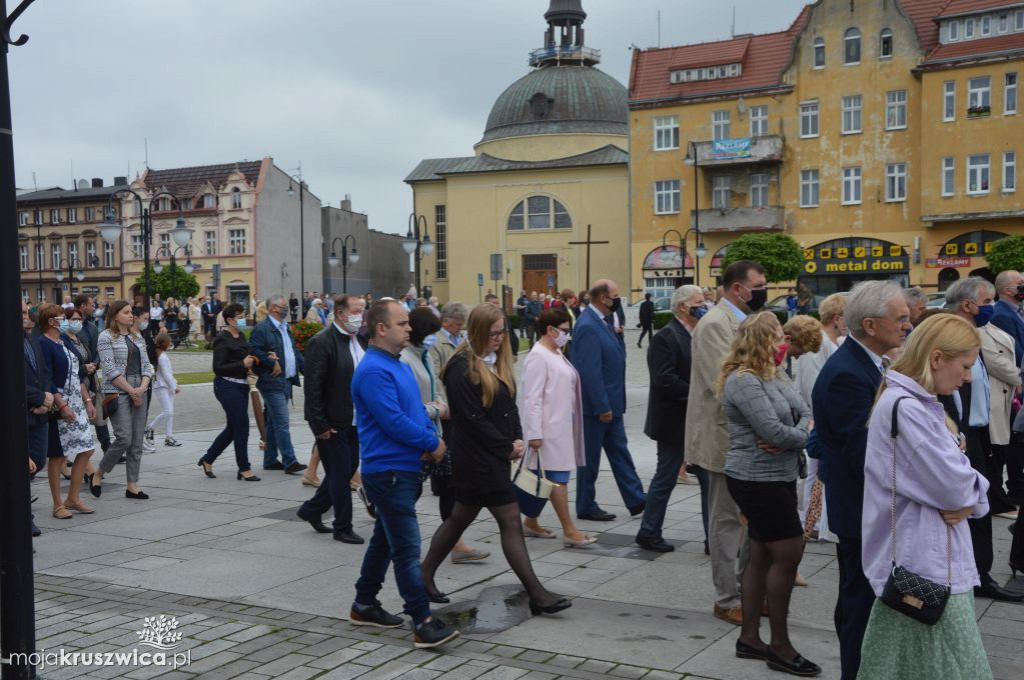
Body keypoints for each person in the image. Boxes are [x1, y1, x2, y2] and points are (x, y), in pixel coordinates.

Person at [858, 314, 993, 680]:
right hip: (925, 568)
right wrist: (976, 495)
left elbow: (959, 484)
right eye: (964, 366)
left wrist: (970, 496)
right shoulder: (909, 408)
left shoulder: (915, 404)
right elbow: (954, 486)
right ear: (936, 359)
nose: (966, 377)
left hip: (930, 562)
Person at [419, 303, 570, 616]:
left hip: (491, 456)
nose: (500, 339)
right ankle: (537, 593)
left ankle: (423, 575)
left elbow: (508, 405)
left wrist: (517, 438)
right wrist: (506, 447)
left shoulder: (493, 360)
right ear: (477, 331)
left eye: (502, 332)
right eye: (494, 333)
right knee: (510, 520)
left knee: (460, 518)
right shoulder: (461, 366)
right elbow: (471, 420)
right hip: (476, 460)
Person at [811, 281, 911, 680]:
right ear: (870, 324)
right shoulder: (847, 375)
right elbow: (866, 454)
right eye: (900, 318)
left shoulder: (871, 362)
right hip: (862, 513)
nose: (908, 324)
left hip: (869, 510)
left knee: (862, 601)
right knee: (859, 605)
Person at [348, 300, 459, 648]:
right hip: (389, 471)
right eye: (402, 323)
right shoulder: (373, 371)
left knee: (385, 539)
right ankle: (422, 620)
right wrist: (432, 442)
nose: (410, 329)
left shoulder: (394, 364)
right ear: (381, 328)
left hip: (404, 467)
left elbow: (409, 412)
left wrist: (426, 442)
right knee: (407, 549)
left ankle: (364, 603)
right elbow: (393, 421)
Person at [718, 312, 817, 676]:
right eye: (778, 337)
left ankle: (749, 638)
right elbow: (773, 432)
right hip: (755, 479)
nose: (784, 344)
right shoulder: (743, 380)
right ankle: (779, 646)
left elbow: (807, 412)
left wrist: (798, 435)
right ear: (761, 341)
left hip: (779, 475)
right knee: (789, 553)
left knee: (760, 553)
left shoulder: (775, 373)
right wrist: (799, 435)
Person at [685, 260, 768, 625]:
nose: (764, 291)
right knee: (725, 522)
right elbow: (727, 385)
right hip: (725, 439)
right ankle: (726, 598)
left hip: (750, 439)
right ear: (738, 289)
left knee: (753, 520)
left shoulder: (745, 322)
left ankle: (747, 589)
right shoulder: (715, 324)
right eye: (759, 285)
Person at [942, 278, 1023, 602]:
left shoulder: (973, 333)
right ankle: (977, 574)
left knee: (981, 502)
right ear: (967, 305)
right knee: (972, 504)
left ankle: (979, 572)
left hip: (980, 431)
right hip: (962, 433)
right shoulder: (949, 334)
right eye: (986, 300)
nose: (990, 306)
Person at [571, 279, 647, 522]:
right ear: (603, 298)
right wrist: (602, 405)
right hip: (597, 408)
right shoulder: (587, 325)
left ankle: (636, 500)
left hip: (611, 405)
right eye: (615, 295)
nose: (617, 300)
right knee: (590, 459)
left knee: (619, 452)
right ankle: (585, 505)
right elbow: (590, 371)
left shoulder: (602, 321)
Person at [518, 307, 595, 548]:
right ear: (550, 330)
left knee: (547, 478)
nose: (567, 335)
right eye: (564, 331)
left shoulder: (555, 352)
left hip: (560, 427)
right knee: (557, 479)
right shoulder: (539, 356)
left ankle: (530, 521)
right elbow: (532, 398)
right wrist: (534, 433)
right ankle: (570, 531)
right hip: (548, 430)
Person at [637, 285, 704, 553]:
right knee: (665, 477)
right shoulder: (666, 337)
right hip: (673, 421)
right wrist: (698, 394)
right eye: (699, 302)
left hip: (696, 420)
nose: (704, 305)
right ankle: (649, 531)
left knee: (707, 480)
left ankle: (714, 539)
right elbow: (664, 379)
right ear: (682, 307)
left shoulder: (697, 333)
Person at [297, 294, 366, 544]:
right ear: (340, 314)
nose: (360, 316)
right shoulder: (322, 342)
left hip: (356, 419)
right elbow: (313, 387)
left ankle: (312, 510)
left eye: (362, 311)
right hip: (332, 421)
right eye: (356, 311)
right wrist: (319, 425)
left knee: (346, 469)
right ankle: (342, 526)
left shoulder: (360, 340)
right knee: (339, 474)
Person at [795, 293, 846, 544]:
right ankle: (811, 522)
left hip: (821, 421)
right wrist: (819, 420)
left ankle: (815, 521)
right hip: (817, 422)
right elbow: (812, 387)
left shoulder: (833, 343)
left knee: (818, 476)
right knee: (815, 475)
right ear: (837, 318)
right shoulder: (819, 345)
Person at [37, 303, 97, 518]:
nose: (65, 320)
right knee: (58, 455)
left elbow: (77, 373)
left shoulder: (63, 342)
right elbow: (48, 377)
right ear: (51, 321)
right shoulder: (43, 343)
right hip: (59, 403)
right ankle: (57, 504)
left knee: (87, 448)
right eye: (62, 317)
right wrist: (61, 404)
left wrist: (87, 400)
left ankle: (73, 498)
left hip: (76, 401)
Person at [91, 301, 154, 500]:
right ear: (115, 315)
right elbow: (109, 370)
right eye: (126, 312)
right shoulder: (105, 337)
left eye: (131, 313)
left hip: (139, 388)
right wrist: (131, 391)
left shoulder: (137, 336)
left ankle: (132, 485)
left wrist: (142, 388)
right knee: (124, 437)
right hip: (118, 391)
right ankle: (99, 472)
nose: (131, 316)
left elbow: (147, 366)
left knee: (136, 441)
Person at [199, 303, 260, 481]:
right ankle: (244, 468)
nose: (242, 319)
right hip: (226, 386)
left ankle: (208, 459)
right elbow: (218, 367)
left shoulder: (241, 335)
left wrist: (259, 359)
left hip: (242, 386)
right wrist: (242, 364)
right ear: (230, 320)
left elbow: (247, 355)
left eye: (243, 315)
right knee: (242, 426)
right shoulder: (222, 339)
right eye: (239, 316)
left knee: (233, 428)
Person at [250, 294, 306, 474]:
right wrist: (270, 361)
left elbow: (294, 352)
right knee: (282, 422)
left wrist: (309, 372)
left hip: (286, 382)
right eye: (283, 306)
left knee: (274, 422)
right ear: (274, 308)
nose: (286, 308)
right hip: (271, 382)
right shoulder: (262, 329)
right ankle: (290, 461)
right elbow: (253, 350)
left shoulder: (285, 328)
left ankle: (270, 459)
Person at [146, 332, 181, 448]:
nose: (170, 343)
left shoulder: (162, 355)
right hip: (161, 386)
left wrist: (174, 384)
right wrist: (174, 386)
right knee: (168, 412)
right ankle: (150, 428)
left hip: (166, 386)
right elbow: (166, 374)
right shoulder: (161, 357)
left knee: (170, 413)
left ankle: (169, 437)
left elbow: (168, 374)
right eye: (169, 341)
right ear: (164, 343)